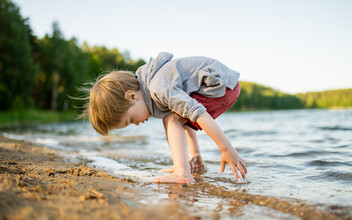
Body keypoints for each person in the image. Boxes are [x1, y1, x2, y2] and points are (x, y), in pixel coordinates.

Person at [81, 52, 247, 184]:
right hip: (222, 84)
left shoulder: (159, 89)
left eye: (131, 120)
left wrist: (226, 149)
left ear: (132, 96)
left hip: (220, 86)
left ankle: (182, 173)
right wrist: (195, 153)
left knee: (172, 119)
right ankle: (188, 163)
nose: (136, 124)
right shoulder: (155, 87)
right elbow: (187, 116)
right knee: (175, 116)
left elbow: (198, 113)